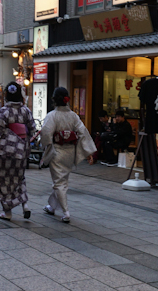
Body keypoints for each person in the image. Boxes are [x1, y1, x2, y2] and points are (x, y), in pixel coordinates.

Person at [40, 87, 96, 223]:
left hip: (57, 152)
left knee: (59, 183)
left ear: (54, 100)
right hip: (69, 152)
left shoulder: (52, 115)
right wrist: (88, 152)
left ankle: (66, 212)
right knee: (62, 181)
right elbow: (83, 132)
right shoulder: (73, 116)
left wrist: (44, 145)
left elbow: (46, 133)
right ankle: (51, 207)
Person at [0, 82, 37, 221]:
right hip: (22, 151)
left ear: (6, 95)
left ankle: (7, 212)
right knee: (20, 178)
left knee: (5, 180)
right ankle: (25, 204)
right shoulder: (26, 111)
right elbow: (33, 128)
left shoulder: (3, 111)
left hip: (6, 151)